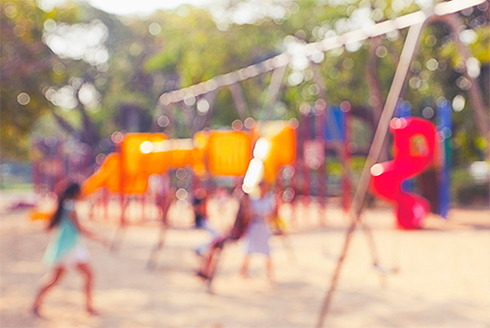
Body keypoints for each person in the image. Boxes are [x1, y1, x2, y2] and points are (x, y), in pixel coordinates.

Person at [32, 182, 107, 317]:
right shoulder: (70, 206)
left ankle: (89, 306)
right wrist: (100, 238)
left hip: (72, 247)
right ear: (76, 192)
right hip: (68, 248)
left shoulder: (67, 204)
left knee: (86, 275)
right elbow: (80, 228)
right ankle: (36, 303)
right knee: (57, 278)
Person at [196, 190, 252, 280]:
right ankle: (205, 270)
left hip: (234, 235)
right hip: (232, 234)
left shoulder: (245, 212)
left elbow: (240, 228)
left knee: (212, 246)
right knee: (211, 245)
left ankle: (205, 271)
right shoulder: (243, 210)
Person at [240, 181, 277, 282]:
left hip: (264, 227)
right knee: (248, 250)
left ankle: (270, 274)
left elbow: (271, 215)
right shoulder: (253, 200)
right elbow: (248, 214)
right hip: (254, 226)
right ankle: (243, 271)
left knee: (267, 252)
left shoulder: (269, 200)